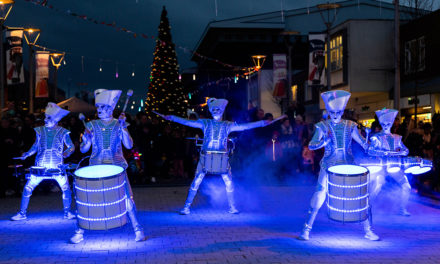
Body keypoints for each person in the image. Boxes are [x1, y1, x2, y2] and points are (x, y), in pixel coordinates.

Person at [156, 98, 286, 214]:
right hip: (206, 156)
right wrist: (172, 117)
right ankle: (186, 207)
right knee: (197, 180)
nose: (216, 111)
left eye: (218, 109)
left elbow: (245, 127)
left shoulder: (227, 125)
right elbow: (187, 122)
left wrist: (263, 123)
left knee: (228, 182)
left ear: (222, 111)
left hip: (221, 157)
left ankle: (232, 207)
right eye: (214, 109)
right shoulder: (205, 123)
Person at [298, 90, 379, 241]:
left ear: (343, 111)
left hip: (348, 164)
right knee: (319, 195)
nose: (335, 115)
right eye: (332, 112)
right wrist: (323, 142)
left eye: (338, 112)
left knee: (362, 197)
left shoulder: (350, 125)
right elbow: (312, 144)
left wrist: (370, 144)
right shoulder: (322, 126)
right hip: (328, 165)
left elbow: (363, 144)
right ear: (328, 111)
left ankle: (368, 230)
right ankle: (306, 229)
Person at [70, 89, 146, 244]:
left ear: (111, 109)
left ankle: (138, 229)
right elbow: (84, 149)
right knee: (88, 200)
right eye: (98, 108)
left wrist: (124, 128)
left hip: (117, 167)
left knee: (127, 199)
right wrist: (88, 140)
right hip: (96, 168)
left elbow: (129, 145)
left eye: (103, 108)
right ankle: (79, 232)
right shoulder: (91, 125)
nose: (99, 111)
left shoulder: (120, 124)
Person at [11, 103, 75, 221]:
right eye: (45, 117)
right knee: (27, 188)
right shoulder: (40, 131)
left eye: (48, 118)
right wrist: (27, 154)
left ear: (56, 119)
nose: (45, 120)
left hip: (56, 166)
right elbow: (35, 146)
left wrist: (67, 152)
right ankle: (22, 213)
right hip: (41, 166)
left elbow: (71, 146)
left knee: (65, 188)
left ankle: (67, 212)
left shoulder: (63, 132)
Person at [368, 108, 411, 216]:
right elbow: (371, 151)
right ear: (381, 123)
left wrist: (400, 151)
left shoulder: (397, 137)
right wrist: (384, 153)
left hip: (394, 167)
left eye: (389, 123)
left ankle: (402, 209)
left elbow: (406, 150)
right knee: (377, 186)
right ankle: (368, 207)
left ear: (392, 123)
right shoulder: (376, 137)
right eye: (384, 123)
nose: (386, 125)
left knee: (407, 186)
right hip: (381, 168)